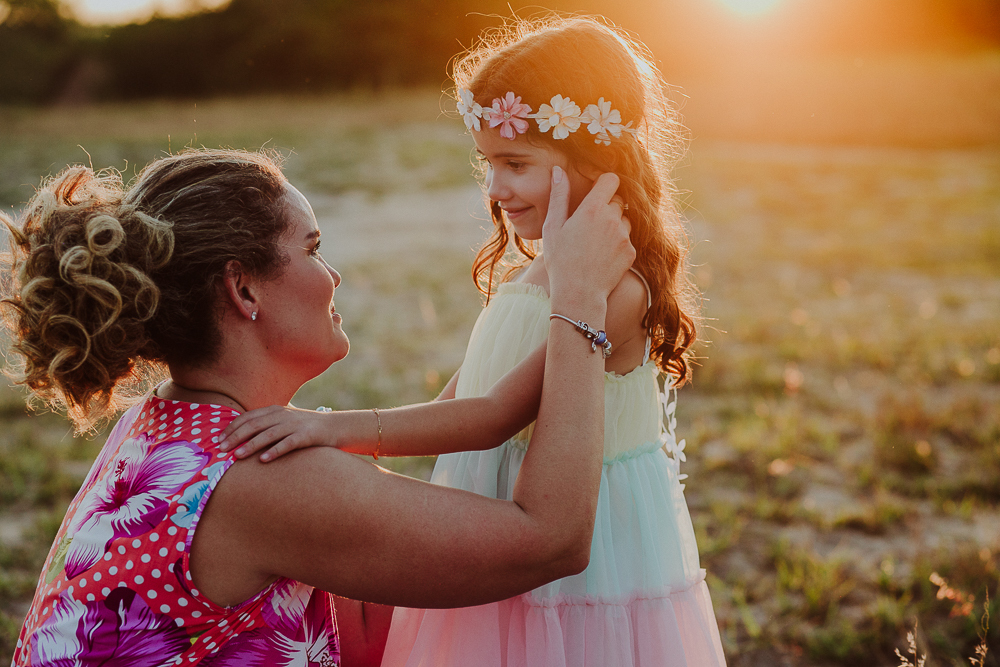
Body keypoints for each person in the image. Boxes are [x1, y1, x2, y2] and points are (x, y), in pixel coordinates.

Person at [0, 147, 634, 666]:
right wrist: (579, 297)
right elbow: (551, 541)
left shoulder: (168, 429)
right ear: (243, 287)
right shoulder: (261, 477)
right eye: (311, 249)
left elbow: (363, 610)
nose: (334, 276)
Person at [223, 15, 727, 667]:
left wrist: (332, 427)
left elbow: (492, 418)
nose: (495, 187)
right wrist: (341, 443)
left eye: (516, 164)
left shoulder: (614, 290)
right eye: (488, 162)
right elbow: (455, 404)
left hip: (585, 558)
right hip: (496, 526)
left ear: (595, 158)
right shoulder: (532, 275)